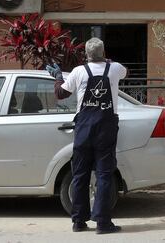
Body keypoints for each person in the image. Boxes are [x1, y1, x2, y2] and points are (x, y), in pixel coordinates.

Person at [48, 38, 127, 234]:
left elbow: (60, 94)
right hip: (106, 128)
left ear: (86, 54)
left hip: (84, 129)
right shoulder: (115, 68)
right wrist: (107, 61)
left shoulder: (78, 71)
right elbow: (127, 72)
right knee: (104, 174)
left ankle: (78, 221)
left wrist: (58, 76)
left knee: (80, 174)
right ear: (103, 52)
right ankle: (103, 223)